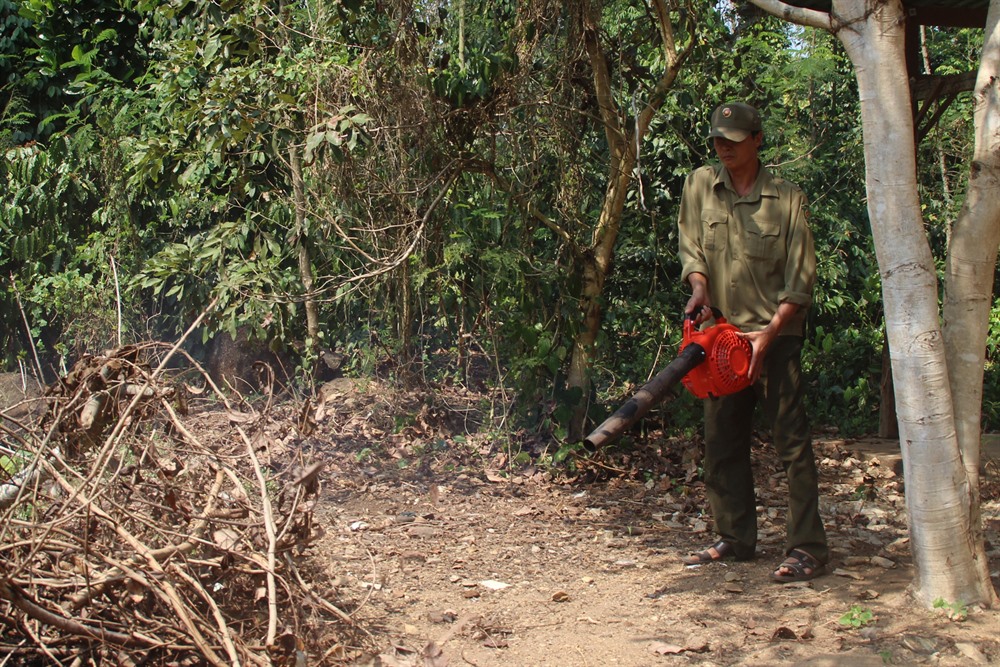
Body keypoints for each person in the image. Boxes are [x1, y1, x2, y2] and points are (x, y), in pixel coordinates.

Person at [676, 101, 829, 583]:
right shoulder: (701, 184)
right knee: (721, 442)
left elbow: (801, 275)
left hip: (774, 337)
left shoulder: (787, 199)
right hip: (720, 341)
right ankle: (735, 537)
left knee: (791, 443)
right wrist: (699, 286)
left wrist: (770, 333)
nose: (724, 148)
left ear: (757, 140)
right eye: (719, 139)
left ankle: (807, 548)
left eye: (734, 140)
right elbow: (691, 247)